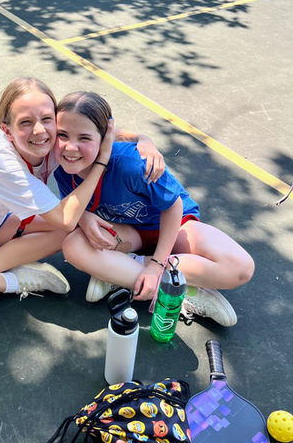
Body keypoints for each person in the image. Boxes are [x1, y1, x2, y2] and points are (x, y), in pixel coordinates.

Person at [0, 78, 164, 329]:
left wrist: (143, 139)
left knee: (70, 230)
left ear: (56, 120)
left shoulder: (50, 141)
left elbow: (99, 131)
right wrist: (102, 161)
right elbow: (65, 217)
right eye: (25, 122)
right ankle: (15, 280)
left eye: (47, 119)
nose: (39, 130)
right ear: (7, 130)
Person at [54, 92, 255, 326]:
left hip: (175, 225)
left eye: (84, 138)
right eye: (62, 135)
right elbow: (69, 205)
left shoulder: (131, 163)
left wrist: (156, 266)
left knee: (240, 268)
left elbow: (174, 206)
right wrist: (83, 217)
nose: (70, 147)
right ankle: (181, 291)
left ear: (104, 138)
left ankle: (121, 273)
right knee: (73, 245)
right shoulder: (61, 167)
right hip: (131, 232)